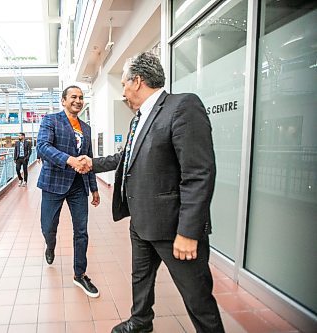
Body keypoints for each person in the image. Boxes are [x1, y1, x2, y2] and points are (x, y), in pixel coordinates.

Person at [77, 52, 224, 333]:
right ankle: (140, 322)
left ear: (138, 81)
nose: (123, 93)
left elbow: (198, 174)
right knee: (140, 279)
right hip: (141, 221)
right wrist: (93, 164)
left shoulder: (182, 107)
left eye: (123, 84)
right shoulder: (139, 119)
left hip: (174, 229)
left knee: (197, 297)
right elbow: (127, 158)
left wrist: (189, 232)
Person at [36, 85, 101, 298]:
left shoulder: (86, 128)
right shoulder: (51, 120)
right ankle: (50, 245)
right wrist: (69, 160)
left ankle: (80, 274)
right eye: (73, 97)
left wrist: (94, 188)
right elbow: (43, 147)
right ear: (63, 100)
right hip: (53, 184)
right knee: (48, 227)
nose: (78, 100)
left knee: (81, 231)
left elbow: (88, 159)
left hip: (78, 187)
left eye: (81, 97)